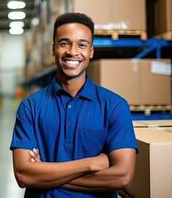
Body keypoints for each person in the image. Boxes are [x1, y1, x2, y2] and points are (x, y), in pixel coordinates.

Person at [10, 13, 138, 198]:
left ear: (91, 51)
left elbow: (123, 177)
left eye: (82, 44)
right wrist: (91, 164)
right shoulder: (30, 107)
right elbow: (23, 175)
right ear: (53, 48)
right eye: (64, 43)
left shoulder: (115, 106)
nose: (72, 51)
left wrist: (44, 175)